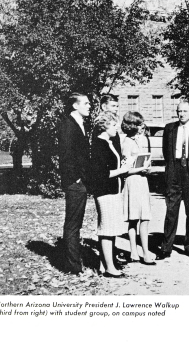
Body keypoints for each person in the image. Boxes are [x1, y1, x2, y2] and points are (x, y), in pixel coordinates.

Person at [89, 111, 144, 277]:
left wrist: (124, 164)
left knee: (110, 228)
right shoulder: (99, 144)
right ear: (104, 126)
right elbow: (100, 174)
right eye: (113, 125)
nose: (116, 128)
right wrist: (123, 169)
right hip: (105, 191)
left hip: (113, 190)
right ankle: (110, 268)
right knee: (107, 229)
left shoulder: (109, 141)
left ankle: (104, 265)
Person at [159, 99, 189, 258]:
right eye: (179, 111)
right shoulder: (170, 128)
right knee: (171, 211)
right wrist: (172, 169)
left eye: (185, 111)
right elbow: (166, 152)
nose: (181, 114)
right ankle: (166, 248)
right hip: (175, 171)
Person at [58, 93, 92, 275]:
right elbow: (65, 156)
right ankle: (72, 266)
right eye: (86, 103)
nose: (89, 106)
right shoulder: (68, 125)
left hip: (79, 182)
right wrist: (75, 179)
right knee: (72, 224)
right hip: (74, 183)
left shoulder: (79, 123)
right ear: (75, 106)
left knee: (75, 223)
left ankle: (74, 262)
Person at [119, 111, 156, 265]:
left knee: (145, 218)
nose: (142, 127)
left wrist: (147, 168)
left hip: (142, 181)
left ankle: (145, 252)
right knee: (134, 219)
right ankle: (135, 252)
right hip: (133, 182)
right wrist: (141, 169)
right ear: (132, 126)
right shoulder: (127, 142)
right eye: (139, 124)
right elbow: (125, 169)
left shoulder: (140, 140)